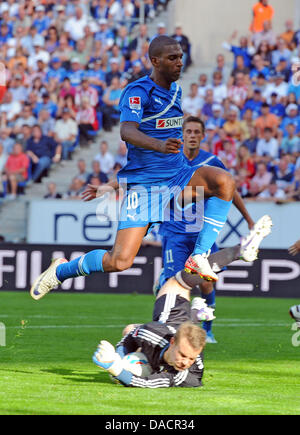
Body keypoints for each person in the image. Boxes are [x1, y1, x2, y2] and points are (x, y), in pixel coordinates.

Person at [30, 36, 236, 301]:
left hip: (178, 177)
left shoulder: (176, 91)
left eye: (181, 57)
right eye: (172, 58)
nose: (179, 63)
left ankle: (199, 256)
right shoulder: (137, 91)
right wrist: (159, 146)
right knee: (119, 261)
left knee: (224, 182)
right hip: (146, 186)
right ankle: (61, 271)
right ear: (155, 61)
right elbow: (127, 131)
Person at [92, 216, 272, 387]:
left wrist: (115, 367)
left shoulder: (184, 373)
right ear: (171, 343)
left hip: (173, 318)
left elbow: (143, 380)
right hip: (172, 314)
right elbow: (130, 342)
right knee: (180, 281)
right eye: (184, 355)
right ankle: (236, 252)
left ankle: (193, 313)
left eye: (191, 358)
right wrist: (119, 357)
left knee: (135, 323)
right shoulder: (156, 336)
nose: (185, 363)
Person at [156, 116, 255, 343]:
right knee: (175, 284)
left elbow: (230, 190)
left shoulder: (211, 161)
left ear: (202, 135)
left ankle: (207, 330)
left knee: (206, 281)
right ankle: (172, 332)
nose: (191, 135)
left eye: (196, 132)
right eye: (188, 131)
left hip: (202, 231)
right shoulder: (170, 158)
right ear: (182, 135)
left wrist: (248, 218)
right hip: (175, 231)